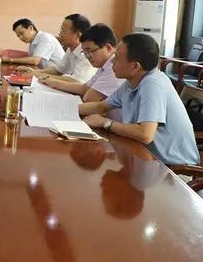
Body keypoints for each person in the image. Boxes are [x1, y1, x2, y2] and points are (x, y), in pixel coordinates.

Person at [79, 33, 199, 166]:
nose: (112, 61)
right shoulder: (131, 82)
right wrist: (67, 109)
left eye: (117, 57)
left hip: (172, 169)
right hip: (145, 158)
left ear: (135, 66)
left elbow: (145, 134)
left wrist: (105, 123)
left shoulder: (152, 85)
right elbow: (101, 106)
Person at [40, 23, 124, 102]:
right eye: (84, 52)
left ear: (108, 48)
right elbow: (84, 88)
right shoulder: (103, 66)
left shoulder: (114, 68)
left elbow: (88, 98)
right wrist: (53, 82)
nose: (87, 56)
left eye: (90, 51)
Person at [21, 14, 95, 82]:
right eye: (61, 30)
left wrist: (39, 75)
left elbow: (76, 81)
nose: (60, 34)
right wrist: (35, 72)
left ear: (77, 35)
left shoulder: (88, 53)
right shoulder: (71, 49)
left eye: (63, 31)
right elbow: (58, 70)